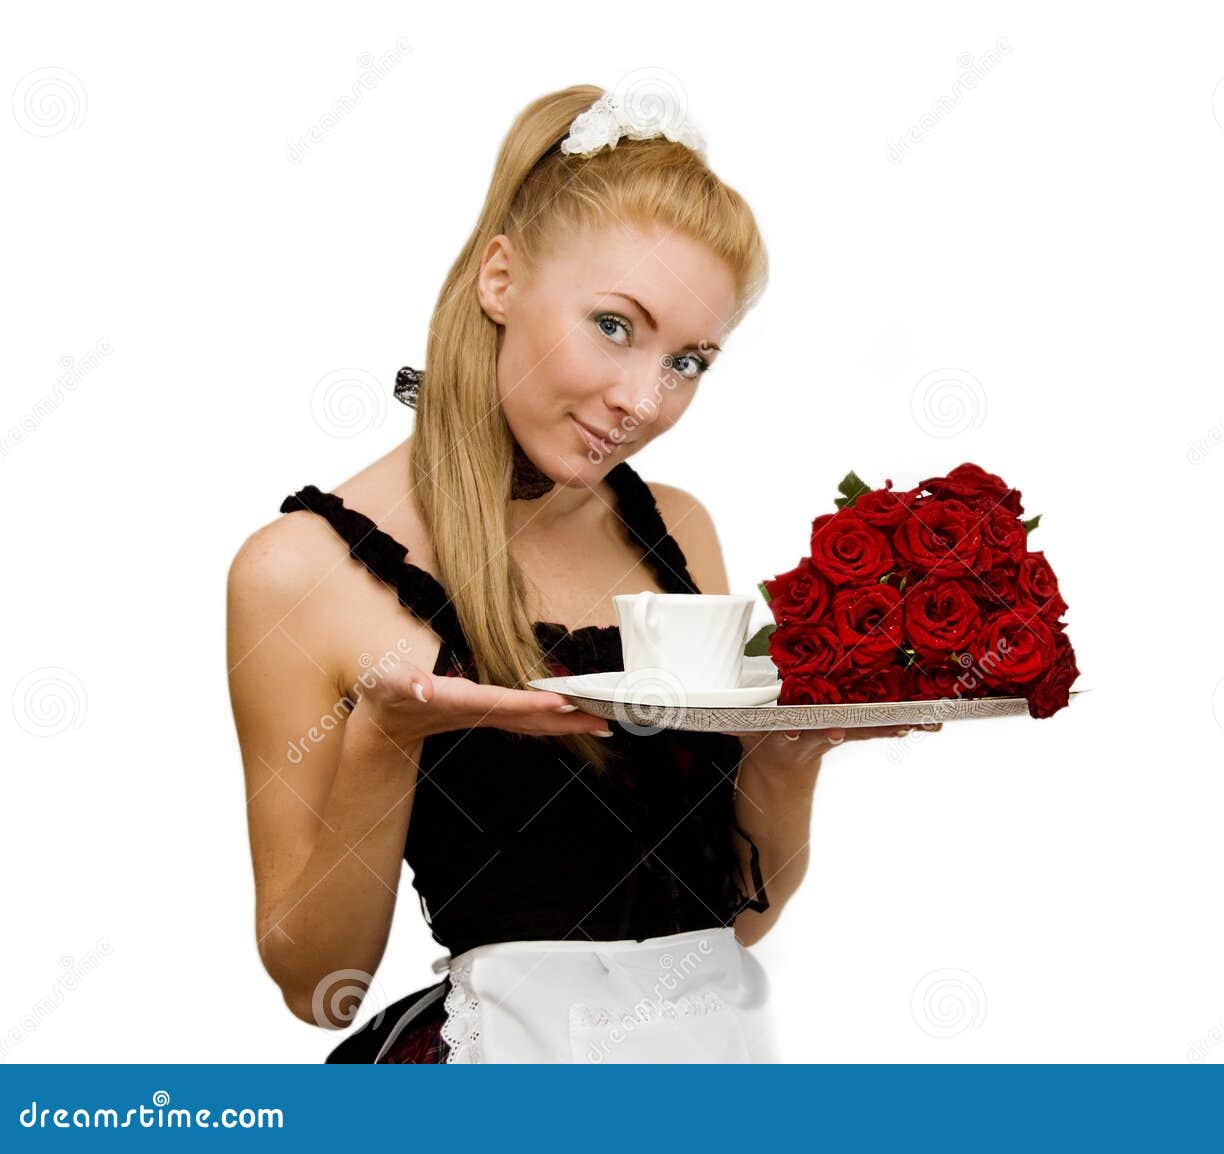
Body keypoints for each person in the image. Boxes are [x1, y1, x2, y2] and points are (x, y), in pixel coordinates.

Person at [225, 84, 933, 1063]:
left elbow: (727, 926)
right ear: (500, 278)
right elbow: (316, 986)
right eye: (614, 325)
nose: (643, 400)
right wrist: (386, 740)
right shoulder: (301, 571)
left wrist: (786, 756)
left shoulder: (676, 531)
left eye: (688, 361)